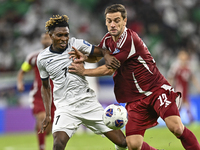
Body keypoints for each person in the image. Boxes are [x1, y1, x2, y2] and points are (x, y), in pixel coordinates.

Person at [68, 4, 200, 150]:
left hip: (155, 90)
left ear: (125, 21)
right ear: (105, 22)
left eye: (117, 20)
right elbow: (98, 57)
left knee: (176, 127)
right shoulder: (107, 40)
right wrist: (85, 57)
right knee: (133, 145)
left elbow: (109, 69)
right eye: (109, 21)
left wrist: (83, 71)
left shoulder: (129, 39)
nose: (113, 24)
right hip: (135, 99)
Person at [36, 15, 127, 150]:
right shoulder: (42, 59)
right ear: (50, 35)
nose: (64, 39)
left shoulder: (75, 44)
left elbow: (100, 50)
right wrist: (48, 114)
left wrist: (107, 56)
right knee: (58, 143)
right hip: (65, 107)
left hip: (88, 103)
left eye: (66, 34)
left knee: (123, 142)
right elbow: (45, 87)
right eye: (59, 35)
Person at [17, 33, 56, 150]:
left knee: (48, 129)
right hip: (38, 95)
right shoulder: (33, 57)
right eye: (44, 38)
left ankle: (39, 128)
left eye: (48, 38)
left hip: (55, 96)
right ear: (41, 41)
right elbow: (22, 71)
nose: (46, 40)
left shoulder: (60, 56)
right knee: (42, 118)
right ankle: (42, 147)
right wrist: (19, 83)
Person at [167, 50, 200, 124]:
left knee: (184, 106)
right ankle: (177, 121)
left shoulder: (188, 68)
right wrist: (169, 87)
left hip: (186, 90)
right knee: (181, 106)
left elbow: (193, 78)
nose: (183, 58)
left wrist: (198, 87)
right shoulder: (176, 67)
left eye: (184, 56)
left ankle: (188, 121)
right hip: (179, 90)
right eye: (181, 56)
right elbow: (171, 77)